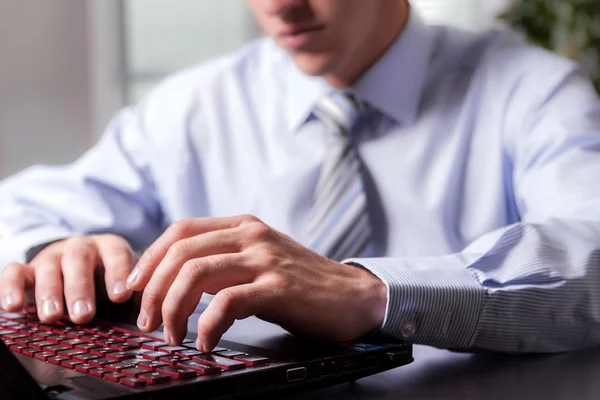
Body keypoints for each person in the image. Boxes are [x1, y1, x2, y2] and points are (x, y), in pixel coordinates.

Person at [1, 0, 600, 355]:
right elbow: (17, 207)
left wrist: (374, 294)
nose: (280, 3)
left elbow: (591, 250)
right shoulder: (191, 104)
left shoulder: (535, 91)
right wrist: (52, 248)